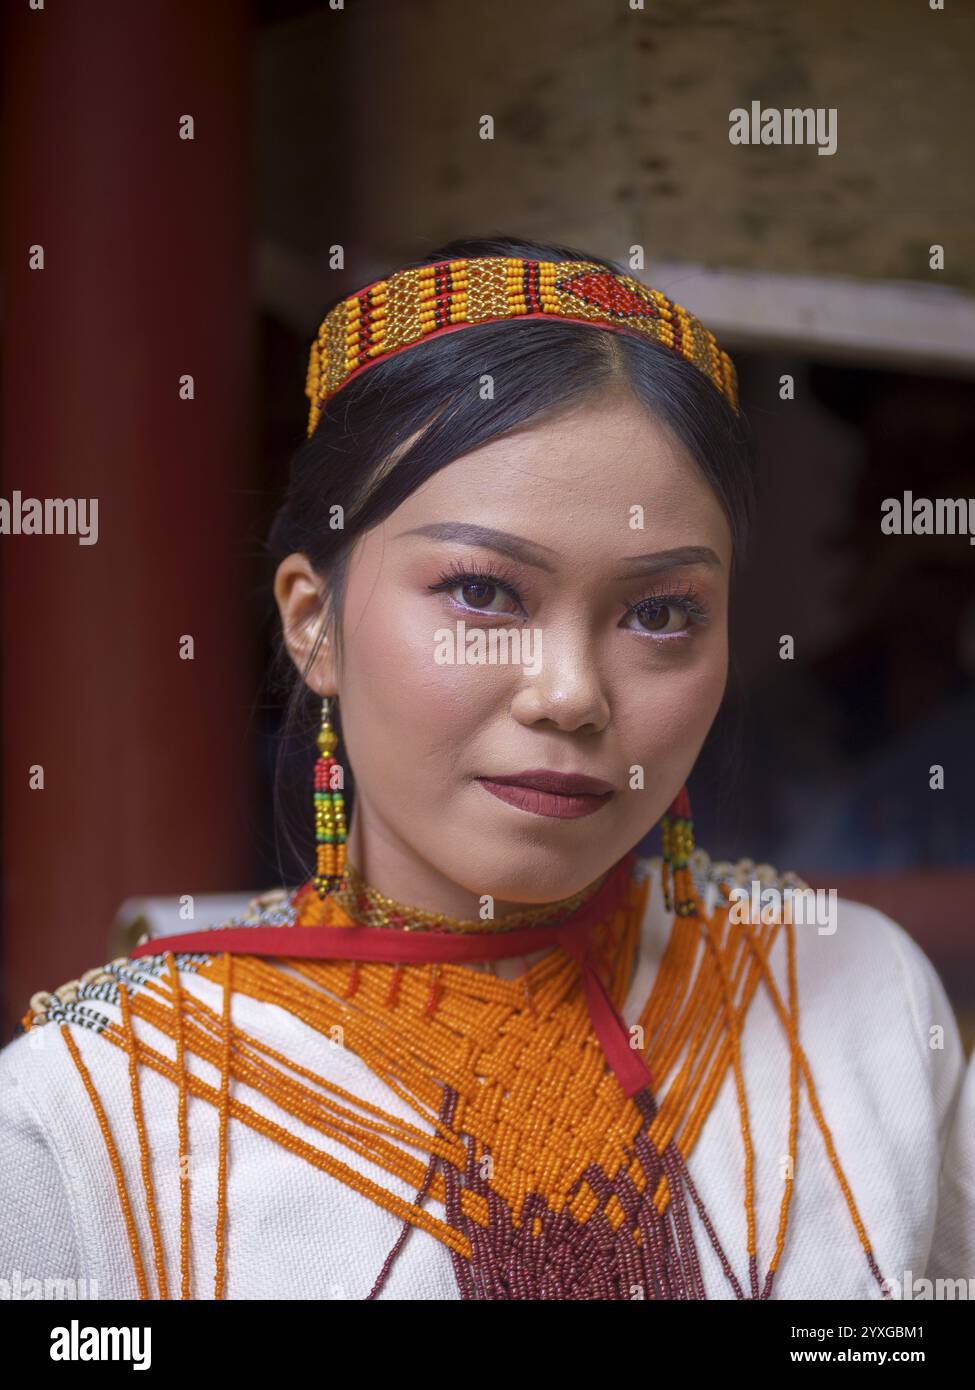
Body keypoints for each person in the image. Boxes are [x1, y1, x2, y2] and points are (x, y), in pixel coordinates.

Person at [1, 236, 971, 1301]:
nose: (570, 693)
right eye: (484, 592)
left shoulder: (858, 997)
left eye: (660, 612)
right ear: (314, 622)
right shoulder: (91, 1106)